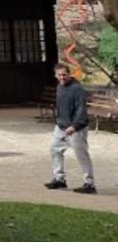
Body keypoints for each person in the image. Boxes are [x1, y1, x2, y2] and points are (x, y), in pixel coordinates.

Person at [47, 62, 95, 194]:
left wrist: (74, 126)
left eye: (64, 75)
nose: (62, 78)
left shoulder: (77, 89)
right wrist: (60, 122)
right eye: (59, 75)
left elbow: (81, 110)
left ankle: (89, 183)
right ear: (55, 75)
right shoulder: (59, 86)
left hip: (77, 128)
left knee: (81, 155)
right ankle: (59, 179)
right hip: (61, 126)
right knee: (54, 149)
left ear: (69, 74)